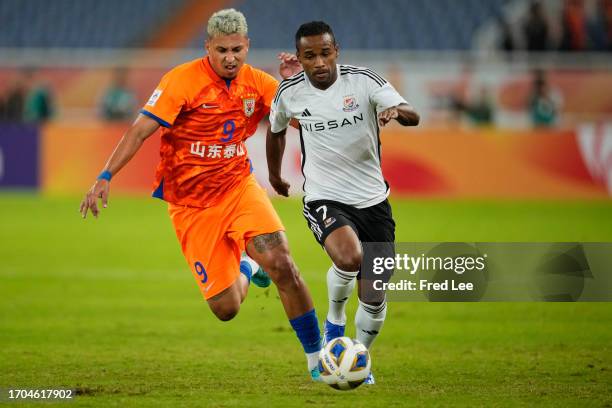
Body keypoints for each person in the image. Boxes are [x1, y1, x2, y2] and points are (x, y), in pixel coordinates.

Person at [79, 9, 322, 381]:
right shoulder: (181, 81)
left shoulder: (258, 82)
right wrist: (105, 175)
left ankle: (318, 360)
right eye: (221, 49)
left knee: (283, 264)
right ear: (207, 46)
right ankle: (247, 266)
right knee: (226, 308)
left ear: (247, 46)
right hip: (191, 205)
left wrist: (297, 85)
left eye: (237, 49)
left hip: (239, 187)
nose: (230, 57)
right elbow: (141, 129)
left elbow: (308, 118)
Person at [266, 21, 419, 385]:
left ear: (336, 51)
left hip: (373, 200)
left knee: (374, 292)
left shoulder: (364, 81)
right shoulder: (289, 92)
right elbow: (275, 132)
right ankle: (335, 326)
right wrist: (274, 176)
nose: (318, 62)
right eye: (309, 55)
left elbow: (412, 113)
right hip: (324, 195)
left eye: (324, 53)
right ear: (300, 58)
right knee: (349, 257)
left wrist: (397, 112)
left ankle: (360, 357)